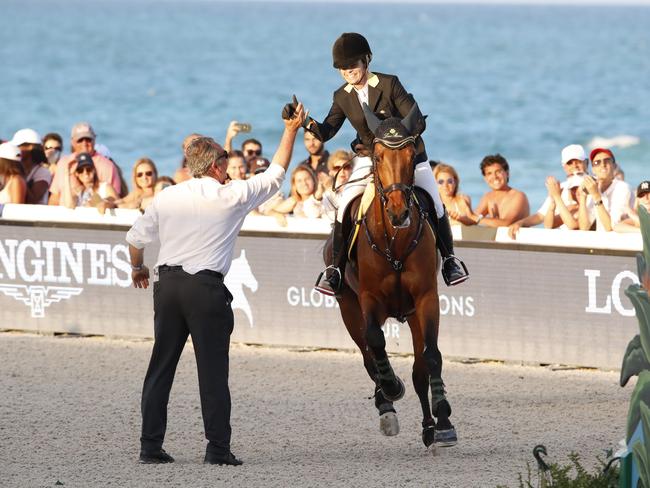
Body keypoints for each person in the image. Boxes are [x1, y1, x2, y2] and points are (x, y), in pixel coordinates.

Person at [126, 103, 306, 466]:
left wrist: (138, 269)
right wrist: (291, 130)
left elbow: (134, 239)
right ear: (214, 166)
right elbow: (276, 174)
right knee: (212, 373)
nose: (228, 164)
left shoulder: (168, 195)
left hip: (168, 285)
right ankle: (217, 449)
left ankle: (149, 446)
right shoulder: (231, 196)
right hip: (204, 289)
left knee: (161, 367)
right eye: (224, 159)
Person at [293, 32, 468, 295]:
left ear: (367, 60)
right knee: (344, 208)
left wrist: (390, 137)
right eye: (342, 68)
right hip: (369, 160)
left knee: (435, 202)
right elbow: (327, 131)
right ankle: (336, 270)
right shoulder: (342, 96)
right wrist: (305, 122)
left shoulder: (389, 84)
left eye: (352, 65)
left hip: (408, 159)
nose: (348, 71)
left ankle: (450, 261)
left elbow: (416, 120)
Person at [508, 144, 589, 237]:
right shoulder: (561, 187)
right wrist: (520, 223)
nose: (574, 166)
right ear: (564, 167)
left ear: (586, 163)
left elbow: (574, 226)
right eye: (570, 163)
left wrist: (557, 198)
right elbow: (541, 217)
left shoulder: (594, 186)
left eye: (578, 161)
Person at [49, 122, 122, 204]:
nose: (84, 143)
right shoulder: (63, 162)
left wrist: (100, 203)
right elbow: (55, 197)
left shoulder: (108, 166)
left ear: (94, 140)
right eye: (80, 140)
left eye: (88, 139)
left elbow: (115, 200)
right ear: (72, 142)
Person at [578, 148, 633, 231]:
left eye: (607, 160)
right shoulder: (592, 187)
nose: (602, 164)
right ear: (593, 169)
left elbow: (610, 227)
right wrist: (583, 196)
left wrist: (596, 196)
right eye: (597, 162)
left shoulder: (622, 188)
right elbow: (584, 227)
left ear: (614, 165)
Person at [472, 154, 529, 227]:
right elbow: (472, 220)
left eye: (498, 172)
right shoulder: (488, 197)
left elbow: (506, 223)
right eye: (489, 173)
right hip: (497, 238)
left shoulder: (518, 196)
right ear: (485, 178)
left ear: (507, 173)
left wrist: (477, 218)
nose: (495, 177)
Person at [11, 128, 52, 205]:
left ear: (31, 147)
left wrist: (18, 175)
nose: (14, 150)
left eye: (18, 146)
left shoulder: (43, 172)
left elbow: (32, 200)